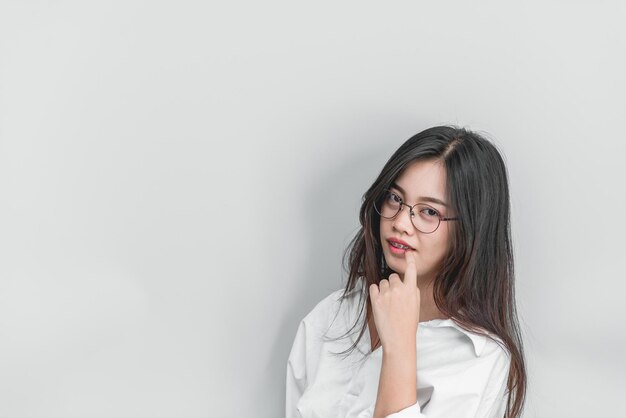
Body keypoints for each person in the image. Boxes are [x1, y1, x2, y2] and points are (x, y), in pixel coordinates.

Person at [285, 125, 527, 418]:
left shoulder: (480, 358)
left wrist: (399, 347)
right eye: (395, 199)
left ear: (469, 232)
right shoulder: (332, 316)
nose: (400, 222)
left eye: (429, 212)